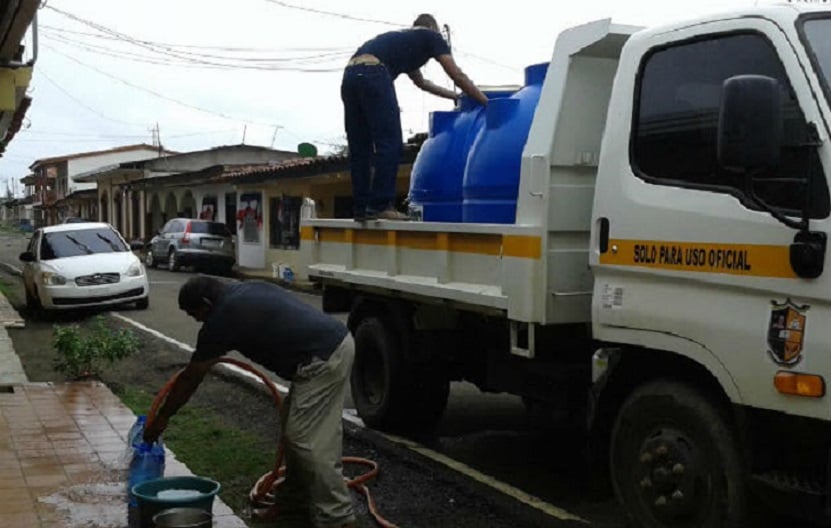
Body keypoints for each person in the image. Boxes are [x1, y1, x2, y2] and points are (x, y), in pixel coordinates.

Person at [143, 276, 357, 528]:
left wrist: (162, 418)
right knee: (296, 435)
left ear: (206, 303)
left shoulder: (222, 318)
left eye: (195, 314)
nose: (196, 320)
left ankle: (338, 518)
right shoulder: (243, 290)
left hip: (323, 359)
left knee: (307, 441)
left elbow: (191, 378)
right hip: (327, 348)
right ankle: (293, 506)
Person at [341, 13, 489, 221]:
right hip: (373, 73)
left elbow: (422, 83)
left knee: (360, 148)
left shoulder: (405, 44)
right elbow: (457, 74)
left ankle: (362, 208)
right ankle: (381, 205)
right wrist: (486, 101)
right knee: (390, 142)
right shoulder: (432, 37)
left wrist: (455, 96)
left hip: (350, 76)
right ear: (433, 28)